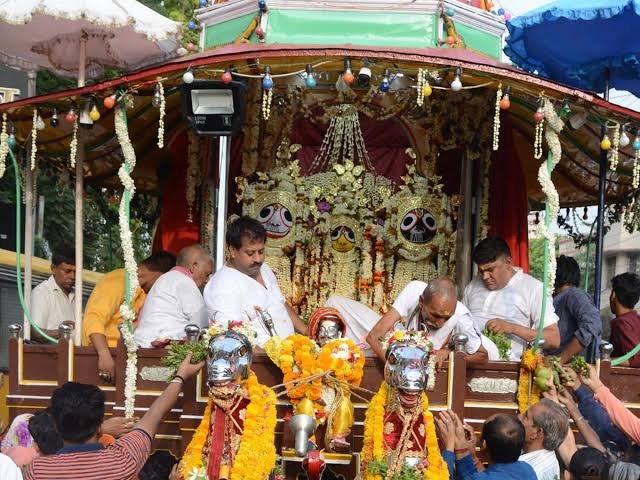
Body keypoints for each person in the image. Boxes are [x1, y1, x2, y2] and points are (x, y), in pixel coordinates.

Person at [23, 353, 203, 480]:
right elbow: (155, 414)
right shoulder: (122, 460)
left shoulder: (38, 470)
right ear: (100, 425)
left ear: (56, 424)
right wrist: (181, 376)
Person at [204, 216, 307, 347]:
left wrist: (306, 331)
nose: (258, 259)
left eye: (261, 251)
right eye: (250, 253)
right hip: (259, 362)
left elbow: (280, 302)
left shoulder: (264, 268)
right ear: (232, 251)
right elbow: (232, 340)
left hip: (289, 354)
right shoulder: (223, 286)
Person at [82, 251, 176, 383]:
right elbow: (94, 318)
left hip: (131, 359)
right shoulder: (117, 280)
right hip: (103, 357)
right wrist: (104, 354)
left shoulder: (146, 293)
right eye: (164, 281)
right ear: (160, 275)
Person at [463, 237, 560, 361]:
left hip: (509, 369)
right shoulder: (473, 285)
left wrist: (512, 328)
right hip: (470, 363)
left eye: (490, 270)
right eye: (481, 271)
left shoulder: (533, 288)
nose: (485, 276)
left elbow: (554, 339)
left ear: (508, 263)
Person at [366, 277, 488, 365]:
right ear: (421, 302)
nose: (440, 323)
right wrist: (397, 369)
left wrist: (449, 354)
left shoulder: (462, 318)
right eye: (435, 315)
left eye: (447, 318)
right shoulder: (413, 290)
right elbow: (373, 336)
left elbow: (483, 357)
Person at [134, 245, 213, 348]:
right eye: (206, 274)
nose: (207, 280)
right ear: (193, 266)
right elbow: (201, 321)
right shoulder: (184, 281)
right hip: (162, 347)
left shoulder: (165, 278)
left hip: (142, 343)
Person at [437, 410, 537, 480]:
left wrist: (449, 448)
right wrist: (462, 448)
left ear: (484, 444)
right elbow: (469, 476)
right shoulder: (527, 470)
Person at [550, 255, 602, 363]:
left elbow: (592, 325)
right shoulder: (559, 298)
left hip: (571, 371)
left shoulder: (574, 295)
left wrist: (560, 359)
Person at [30, 250, 76, 342]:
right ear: (53, 269)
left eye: (75, 272)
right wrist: (62, 332)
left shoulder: (76, 295)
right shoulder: (42, 292)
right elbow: (35, 333)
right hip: (52, 355)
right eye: (67, 271)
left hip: (73, 354)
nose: (73, 276)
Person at [518, 399, 568, 480]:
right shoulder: (548, 458)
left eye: (525, 416)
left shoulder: (528, 472)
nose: (519, 416)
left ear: (536, 432)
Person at [608, 272, 640, 367]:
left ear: (613, 295)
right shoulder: (636, 319)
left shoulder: (622, 323)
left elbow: (636, 358)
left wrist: (607, 361)